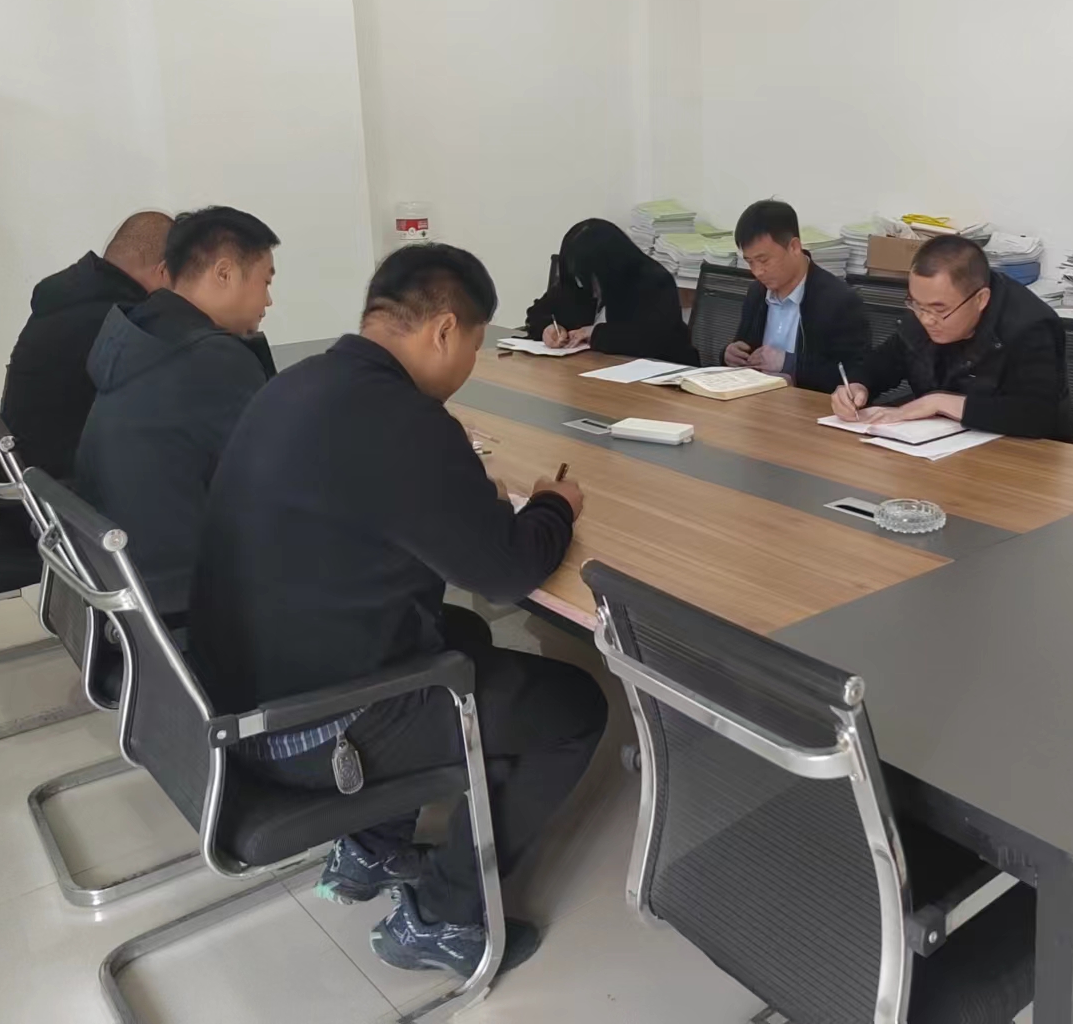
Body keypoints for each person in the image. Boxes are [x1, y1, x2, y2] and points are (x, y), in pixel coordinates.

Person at [188, 243, 605, 979]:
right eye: (474, 345)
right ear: (444, 329)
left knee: (462, 632)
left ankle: (369, 848)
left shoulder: (299, 383)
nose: (470, 363)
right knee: (575, 705)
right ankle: (442, 918)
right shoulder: (404, 419)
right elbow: (506, 572)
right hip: (308, 731)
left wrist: (458, 494)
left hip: (233, 699)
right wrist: (553, 505)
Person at [75, 206, 278, 615]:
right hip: (189, 596)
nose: (268, 300)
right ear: (224, 273)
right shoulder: (213, 360)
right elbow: (279, 480)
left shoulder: (135, 333)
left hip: (129, 582)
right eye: (266, 282)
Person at [831, 235, 1073, 439]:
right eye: (917, 304)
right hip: (938, 445)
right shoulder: (925, 309)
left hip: (1022, 457)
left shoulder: (1030, 326)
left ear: (980, 299)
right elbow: (884, 361)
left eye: (939, 310)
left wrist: (939, 402)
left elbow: (1036, 416)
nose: (926, 319)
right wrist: (857, 385)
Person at [0, 211, 172, 479]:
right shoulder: (122, 321)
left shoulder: (68, 297)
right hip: (56, 488)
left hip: (20, 471)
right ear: (164, 271)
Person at [721, 199, 870, 392]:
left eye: (763, 260)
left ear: (794, 247)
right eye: (750, 262)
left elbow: (854, 376)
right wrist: (728, 355)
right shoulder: (756, 293)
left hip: (808, 405)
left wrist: (789, 363)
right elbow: (744, 351)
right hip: (756, 401)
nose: (757, 272)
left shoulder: (839, 301)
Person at [523, 218, 697, 364]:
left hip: (656, 378)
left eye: (592, 278)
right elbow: (538, 313)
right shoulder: (578, 283)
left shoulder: (653, 282)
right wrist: (547, 328)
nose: (588, 288)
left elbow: (649, 341)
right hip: (585, 371)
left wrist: (593, 333)